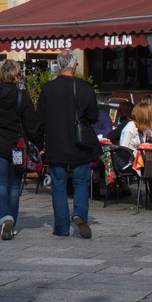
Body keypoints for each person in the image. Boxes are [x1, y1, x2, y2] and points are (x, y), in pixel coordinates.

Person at [33, 50, 99, 239]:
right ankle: (79, 214)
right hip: (79, 144)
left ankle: (61, 227)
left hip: (56, 144)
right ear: (74, 65)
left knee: (59, 186)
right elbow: (94, 116)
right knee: (80, 182)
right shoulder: (85, 88)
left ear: (58, 66)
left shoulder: (47, 89)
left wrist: (40, 142)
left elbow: (40, 119)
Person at [0, 60, 41, 240]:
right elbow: (32, 125)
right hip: (17, 147)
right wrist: (39, 145)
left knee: (1, 184)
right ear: (15, 76)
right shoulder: (22, 97)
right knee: (14, 186)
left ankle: (5, 218)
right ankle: (11, 222)